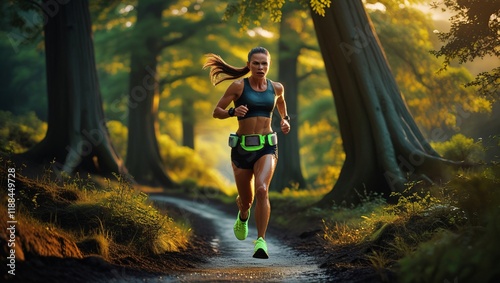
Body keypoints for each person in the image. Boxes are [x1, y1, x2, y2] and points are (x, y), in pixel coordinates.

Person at [203, 47, 290, 259]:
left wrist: (285, 119)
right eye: (256, 63)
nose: (261, 67)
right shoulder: (238, 86)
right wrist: (233, 111)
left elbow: (280, 102)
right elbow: (217, 112)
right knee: (247, 200)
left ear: (269, 65)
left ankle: (260, 241)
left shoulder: (276, 87)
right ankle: (243, 215)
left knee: (262, 189)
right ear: (249, 64)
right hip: (242, 149)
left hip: (266, 146)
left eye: (264, 64)